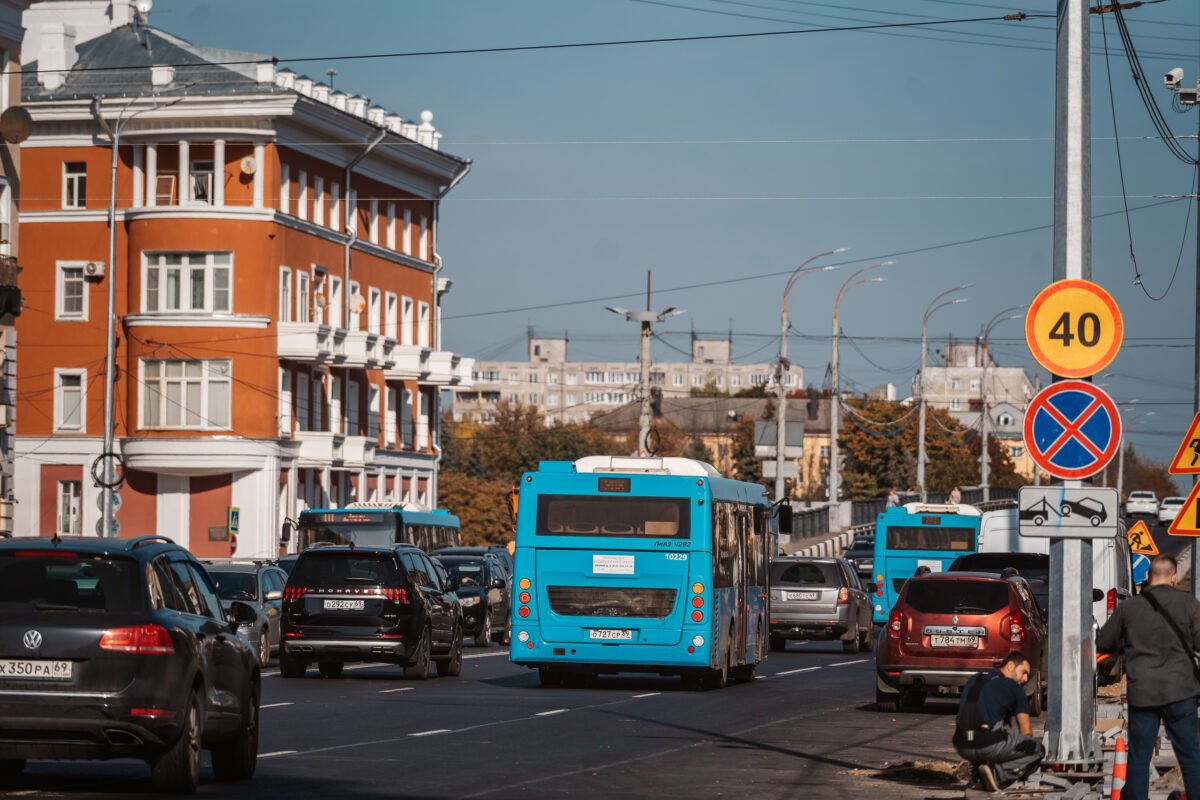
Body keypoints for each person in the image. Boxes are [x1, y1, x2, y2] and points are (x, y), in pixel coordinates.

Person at [1097, 554, 1200, 800]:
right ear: (1174, 576)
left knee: (1139, 758)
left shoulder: (1130, 607)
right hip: (1180, 692)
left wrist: (1128, 642)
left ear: (1147, 576)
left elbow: (1103, 641)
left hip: (1143, 693)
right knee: (1191, 757)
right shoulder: (1189, 604)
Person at [952, 651, 1045, 792]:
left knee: (981, 732)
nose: (1026, 678)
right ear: (1010, 666)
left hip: (962, 743)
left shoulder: (975, 679)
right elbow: (1026, 732)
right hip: (987, 744)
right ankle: (996, 775)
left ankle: (977, 776)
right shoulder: (1015, 688)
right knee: (1036, 750)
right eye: (1024, 672)